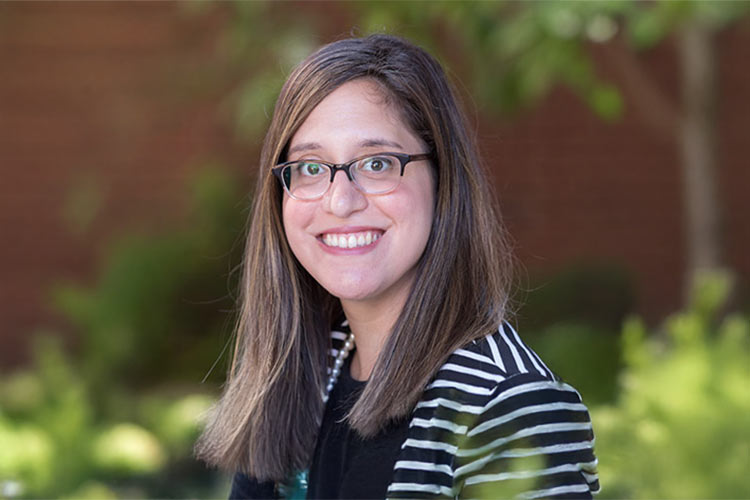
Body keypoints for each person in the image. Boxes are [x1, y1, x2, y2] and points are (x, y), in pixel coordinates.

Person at [196, 34, 599, 499]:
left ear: (443, 180)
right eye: (310, 168)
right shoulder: (302, 374)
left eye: (378, 163)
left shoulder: (505, 405)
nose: (340, 201)